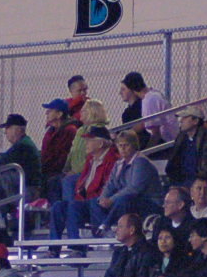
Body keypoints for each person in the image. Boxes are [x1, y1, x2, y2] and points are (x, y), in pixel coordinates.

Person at [53, 125, 118, 253]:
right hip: (85, 201)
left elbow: (108, 187)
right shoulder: (90, 159)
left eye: (89, 140)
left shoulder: (112, 159)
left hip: (100, 202)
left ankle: (76, 248)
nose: (86, 143)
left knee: (74, 205)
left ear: (100, 143)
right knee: (58, 206)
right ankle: (53, 249)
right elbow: (82, 183)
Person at [87, 129, 163, 231]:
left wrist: (111, 200)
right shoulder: (119, 163)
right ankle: (104, 232)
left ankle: (106, 226)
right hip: (124, 200)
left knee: (124, 199)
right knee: (95, 202)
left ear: (134, 145)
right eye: (120, 145)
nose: (122, 148)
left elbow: (134, 189)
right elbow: (110, 184)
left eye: (126, 145)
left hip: (149, 202)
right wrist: (103, 198)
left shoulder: (141, 161)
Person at [0, 114, 43, 231]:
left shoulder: (23, 145)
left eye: (7, 128)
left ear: (17, 129)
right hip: (20, 187)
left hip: (28, 190)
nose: (5, 132)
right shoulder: (22, 144)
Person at [164, 107, 207, 186]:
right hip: (180, 180)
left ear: (195, 121)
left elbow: (206, 167)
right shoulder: (181, 137)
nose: (181, 120)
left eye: (185, 118)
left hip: (197, 182)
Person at [120, 72, 175, 145]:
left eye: (124, 89)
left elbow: (155, 134)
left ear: (132, 89)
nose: (120, 93)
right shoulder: (153, 94)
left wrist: (146, 152)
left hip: (167, 141)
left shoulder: (149, 100)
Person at [38, 99, 79, 195]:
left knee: (53, 182)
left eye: (50, 110)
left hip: (57, 172)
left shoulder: (70, 130)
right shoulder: (50, 131)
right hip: (47, 171)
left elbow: (62, 157)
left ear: (59, 114)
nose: (46, 113)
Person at [64, 98, 108, 174]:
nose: (80, 112)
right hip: (73, 171)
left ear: (92, 112)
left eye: (83, 110)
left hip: (87, 172)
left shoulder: (98, 131)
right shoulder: (80, 130)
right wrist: (66, 169)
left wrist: (81, 171)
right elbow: (73, 150)